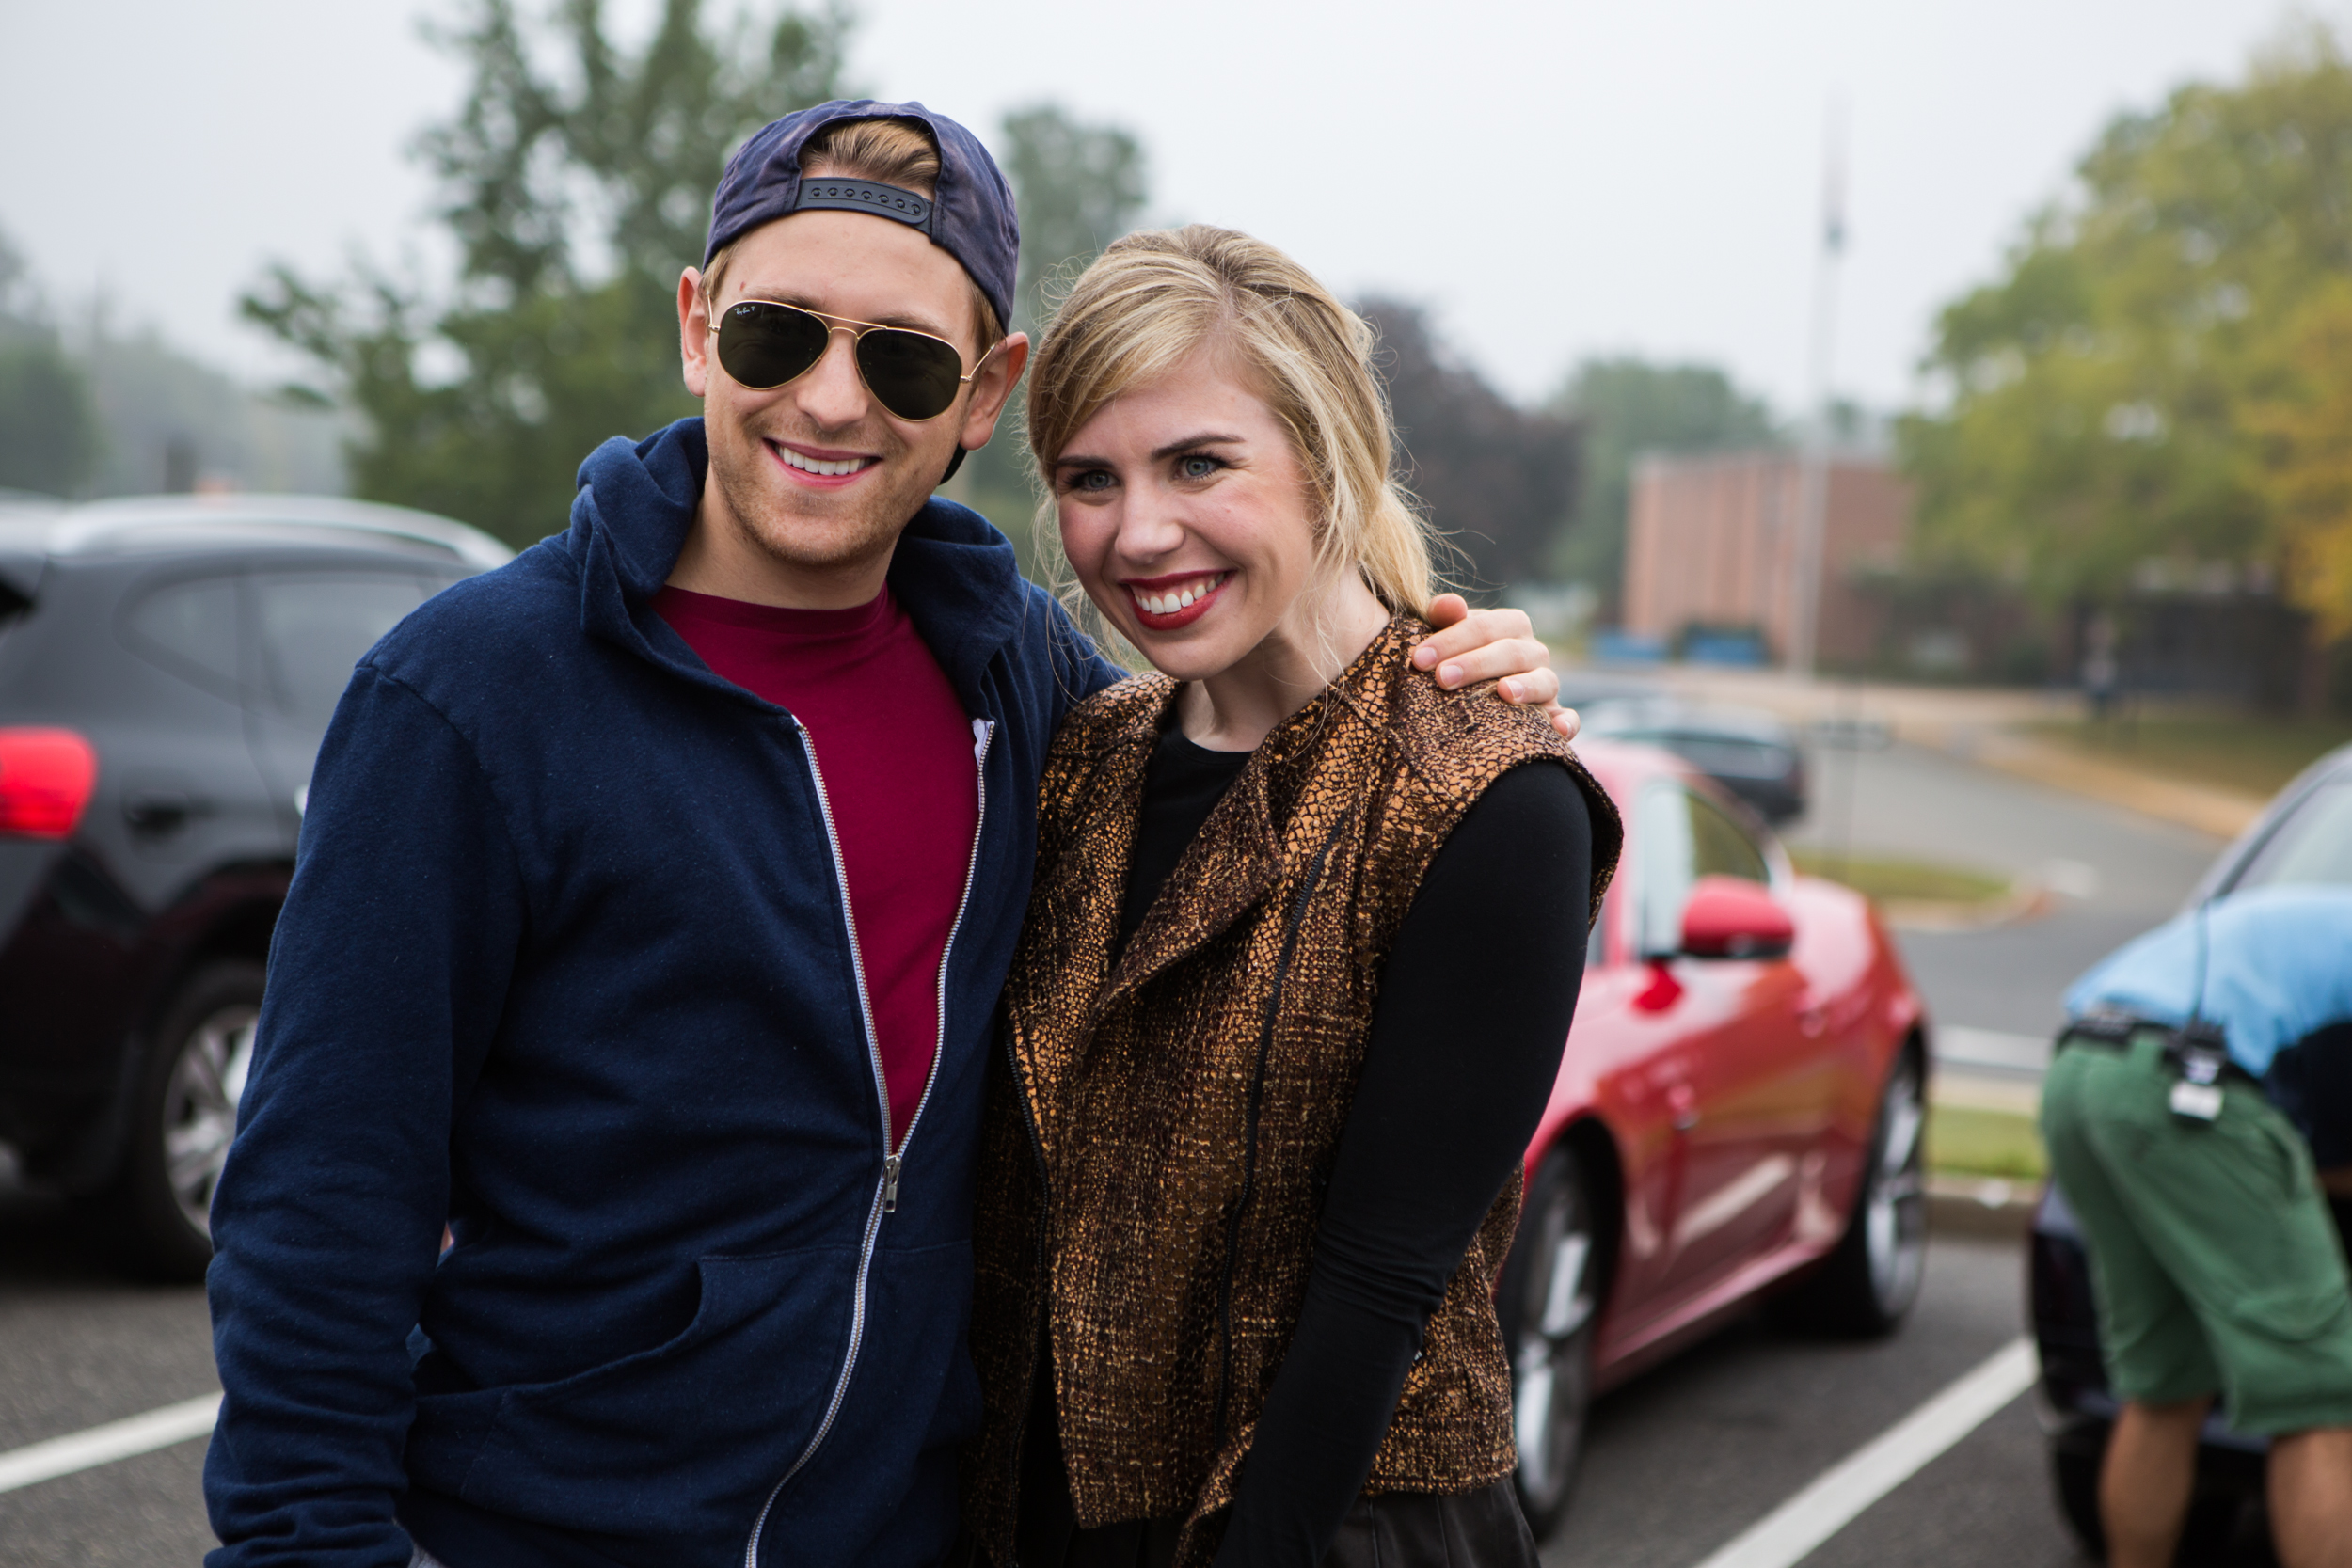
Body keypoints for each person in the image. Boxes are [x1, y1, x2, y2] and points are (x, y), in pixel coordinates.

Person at [201, 103, 1571, 1568]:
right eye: (778, 334)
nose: (833, 400)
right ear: (695, 324)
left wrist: (1459, 676)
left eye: (903, 358)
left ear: (983, 394)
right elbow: (323, 1203)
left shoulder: (1030, 692)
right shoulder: (468, 697)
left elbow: (1284, 751)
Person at [961, 226, 1624, 1568]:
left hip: (1337, 1524)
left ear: (1328, 460)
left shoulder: (1486, 795)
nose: (1140, 531)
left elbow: (1384, 1276)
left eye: (1200, 462)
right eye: (1089, 478)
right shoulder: (1084, 754)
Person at [2042, 884, 2352, 1568]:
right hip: (2189, 1087)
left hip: (2081, 1070)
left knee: (2165, 1381)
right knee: (2323, 1388)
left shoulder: (2315, 919)